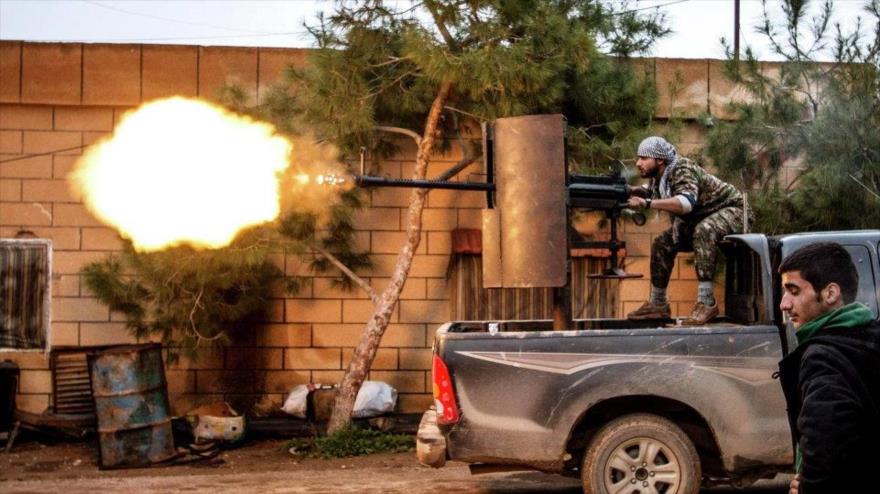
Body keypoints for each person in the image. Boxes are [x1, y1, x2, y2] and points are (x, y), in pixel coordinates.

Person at [776, 242, 880, 494]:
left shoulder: (823, 357)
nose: (784, 304)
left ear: (830, 294)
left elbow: (824, 446)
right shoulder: (870, 336)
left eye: (794, 291)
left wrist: (807, 487)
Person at [625, 136, 750, 325]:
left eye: (643, 158)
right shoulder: (661, 178)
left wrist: (647, 203)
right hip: (703, 217)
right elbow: (647, 191)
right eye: (638, 158)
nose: (638, 163)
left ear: (660, 160)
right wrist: (625, 191)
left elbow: (686, 203)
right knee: (662, 243)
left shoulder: (682, 169)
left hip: (734, 211)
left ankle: (706, 301)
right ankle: (658, 304)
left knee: (704, 230)